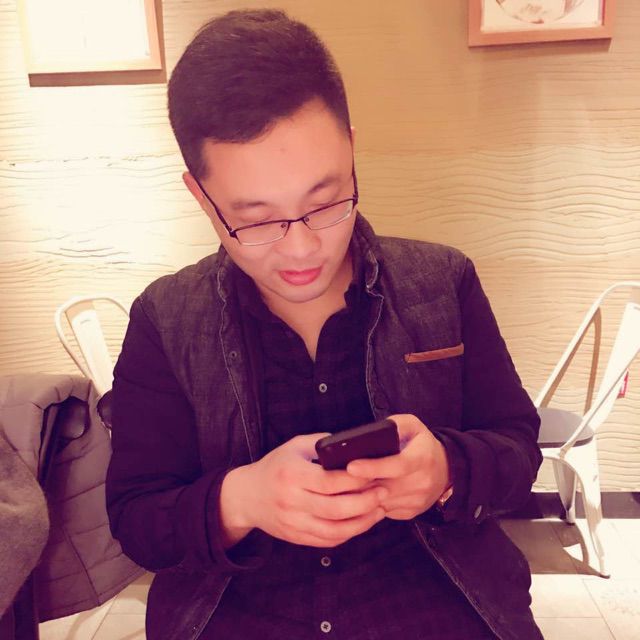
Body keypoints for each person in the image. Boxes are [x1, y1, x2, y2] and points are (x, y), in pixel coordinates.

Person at [106, 8, 543, 640]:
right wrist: (242, 500)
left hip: (434, 605)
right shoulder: (165, 319)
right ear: (201, 196)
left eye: (327, 201)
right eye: (256, 220)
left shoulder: (443, 282)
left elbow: (517, 448)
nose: (302, 249)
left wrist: (447, 470)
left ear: (352, 151)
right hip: (245, 618)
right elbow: (136, 520)